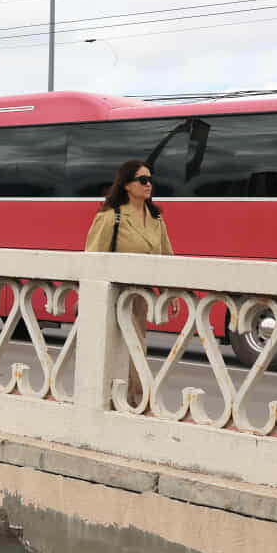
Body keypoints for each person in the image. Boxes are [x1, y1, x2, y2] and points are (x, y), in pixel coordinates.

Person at [84, 159, 174, 408]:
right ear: (126, 185)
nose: (148, 184)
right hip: (115, 295)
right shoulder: (110, 218)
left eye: (150, 179)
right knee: (128, 349)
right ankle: (136, 401)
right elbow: (92, 257)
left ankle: (123, 400)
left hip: (141, 298)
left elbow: (167, 257)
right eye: (142, 180)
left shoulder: (156, 218)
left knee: (134, 348)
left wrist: (172, 292)